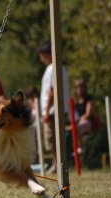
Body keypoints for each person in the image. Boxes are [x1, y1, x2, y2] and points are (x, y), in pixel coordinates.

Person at [38, 41, 69, 175]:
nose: (41, 57)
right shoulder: (59, 68)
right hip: (58, 109)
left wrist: (46, 112)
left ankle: (57, 164)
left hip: (52, 111)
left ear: (48, 54)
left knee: (52, 139)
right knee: (56, 140)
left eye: (42, 54)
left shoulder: (53, 69)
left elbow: (52, 91)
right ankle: (57, 164)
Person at [72, 79, 95, 154]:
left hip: (87, 121)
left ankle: (80, 148)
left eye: (82, 87)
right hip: (75, 121)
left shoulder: (89, 99)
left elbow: (88, 113)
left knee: (77, 128)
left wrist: (78, 121)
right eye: (77, 87)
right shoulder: (73, 100)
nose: (79, 89)